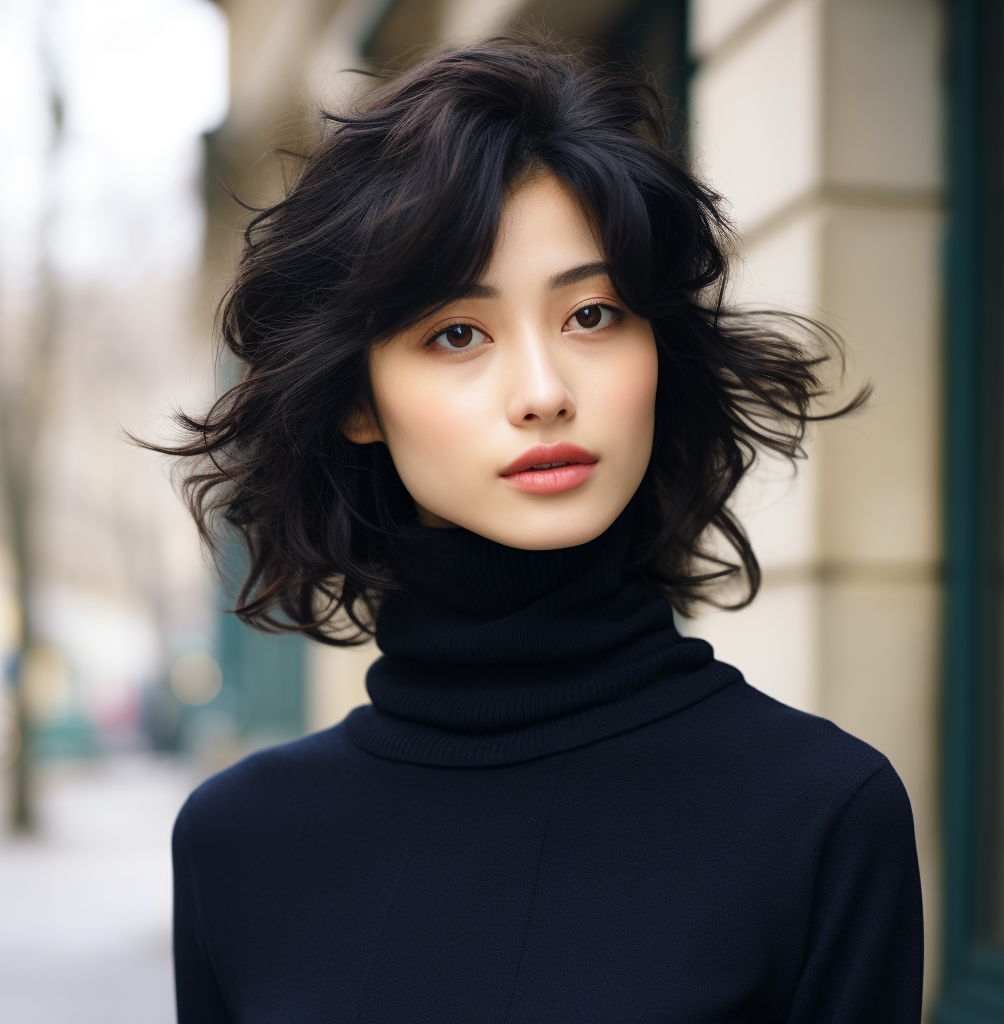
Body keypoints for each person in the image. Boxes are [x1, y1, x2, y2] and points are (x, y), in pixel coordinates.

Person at [162, 35, 922, 1023]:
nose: (543, 392)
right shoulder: (239, 844)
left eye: (594, 314)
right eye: (457, 334)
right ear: (358, 399)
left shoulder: (820, 813)